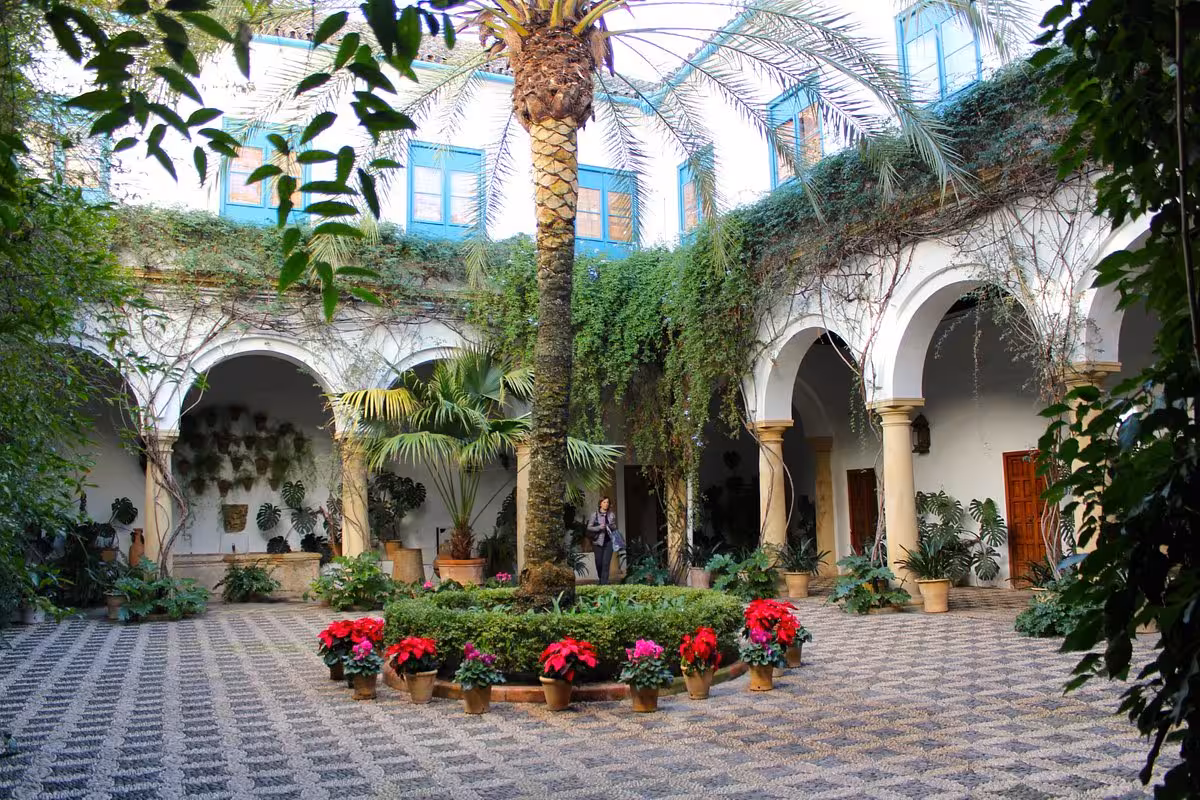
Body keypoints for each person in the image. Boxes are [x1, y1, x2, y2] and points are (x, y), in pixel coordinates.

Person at [586, 496, 621, 585]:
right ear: (600, 503)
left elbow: (614, 527)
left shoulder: (611, 514)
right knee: (599, 563)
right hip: (597, 542)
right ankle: (601, 579)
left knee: (606, 564)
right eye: (604, 502)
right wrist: (599, 527)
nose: (606, 504)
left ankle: (603, 584)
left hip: (609, 542)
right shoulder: (595, 514)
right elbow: (589, 527)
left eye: (607, 502)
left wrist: (609, 526)